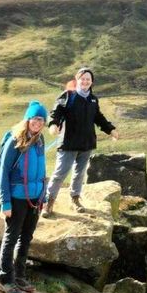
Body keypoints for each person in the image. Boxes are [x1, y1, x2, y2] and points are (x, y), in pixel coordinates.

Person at [45, 68, 117, 215]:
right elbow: (56, 112)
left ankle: (75, 199)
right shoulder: (68, 96)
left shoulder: (93, 99)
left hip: (86, 144)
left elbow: (98, 118)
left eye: (88, 79)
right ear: (77, 80)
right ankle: (48, 202)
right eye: (82, 78)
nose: (85, 81)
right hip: (68, 143)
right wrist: (53, 124)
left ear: (92, 82)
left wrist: (110, 130)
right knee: (60, 174)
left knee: (79, 174)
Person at [0, 101, 49, 293]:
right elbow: (3, 173)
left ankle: (19, 276)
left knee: (26, 237)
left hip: (34, 198)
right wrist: (6, 202)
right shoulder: (14, 141)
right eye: (35, 119)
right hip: (17, 197)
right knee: (11, 238)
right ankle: (6, 280)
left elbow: (42, 168)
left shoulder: (40, 140)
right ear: (27, 119)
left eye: (41, 120)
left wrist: (42, 196)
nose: (38, 123)